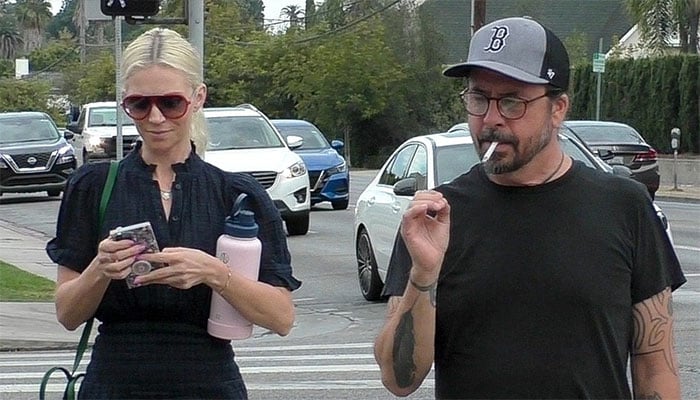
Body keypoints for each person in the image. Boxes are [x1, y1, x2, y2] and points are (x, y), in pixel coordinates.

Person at [373, 17, 686, 399]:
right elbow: (399, 380)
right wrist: (424, 274)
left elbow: (655, 368)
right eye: (479, 99)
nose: (490, 120)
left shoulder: (624, 207)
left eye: (512, 102)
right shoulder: (436, 219)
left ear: (558, 109)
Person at [46, 28, 301, 399]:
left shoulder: (236, 194)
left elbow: (281, 317)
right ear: (125, 104)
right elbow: (68, 315)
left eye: (170, 103)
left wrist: (215, 273)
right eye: (139, 104)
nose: (155, 117)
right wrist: (100, 269)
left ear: (198, 98)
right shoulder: (93, 187)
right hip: (114, 383)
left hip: (208, 384)